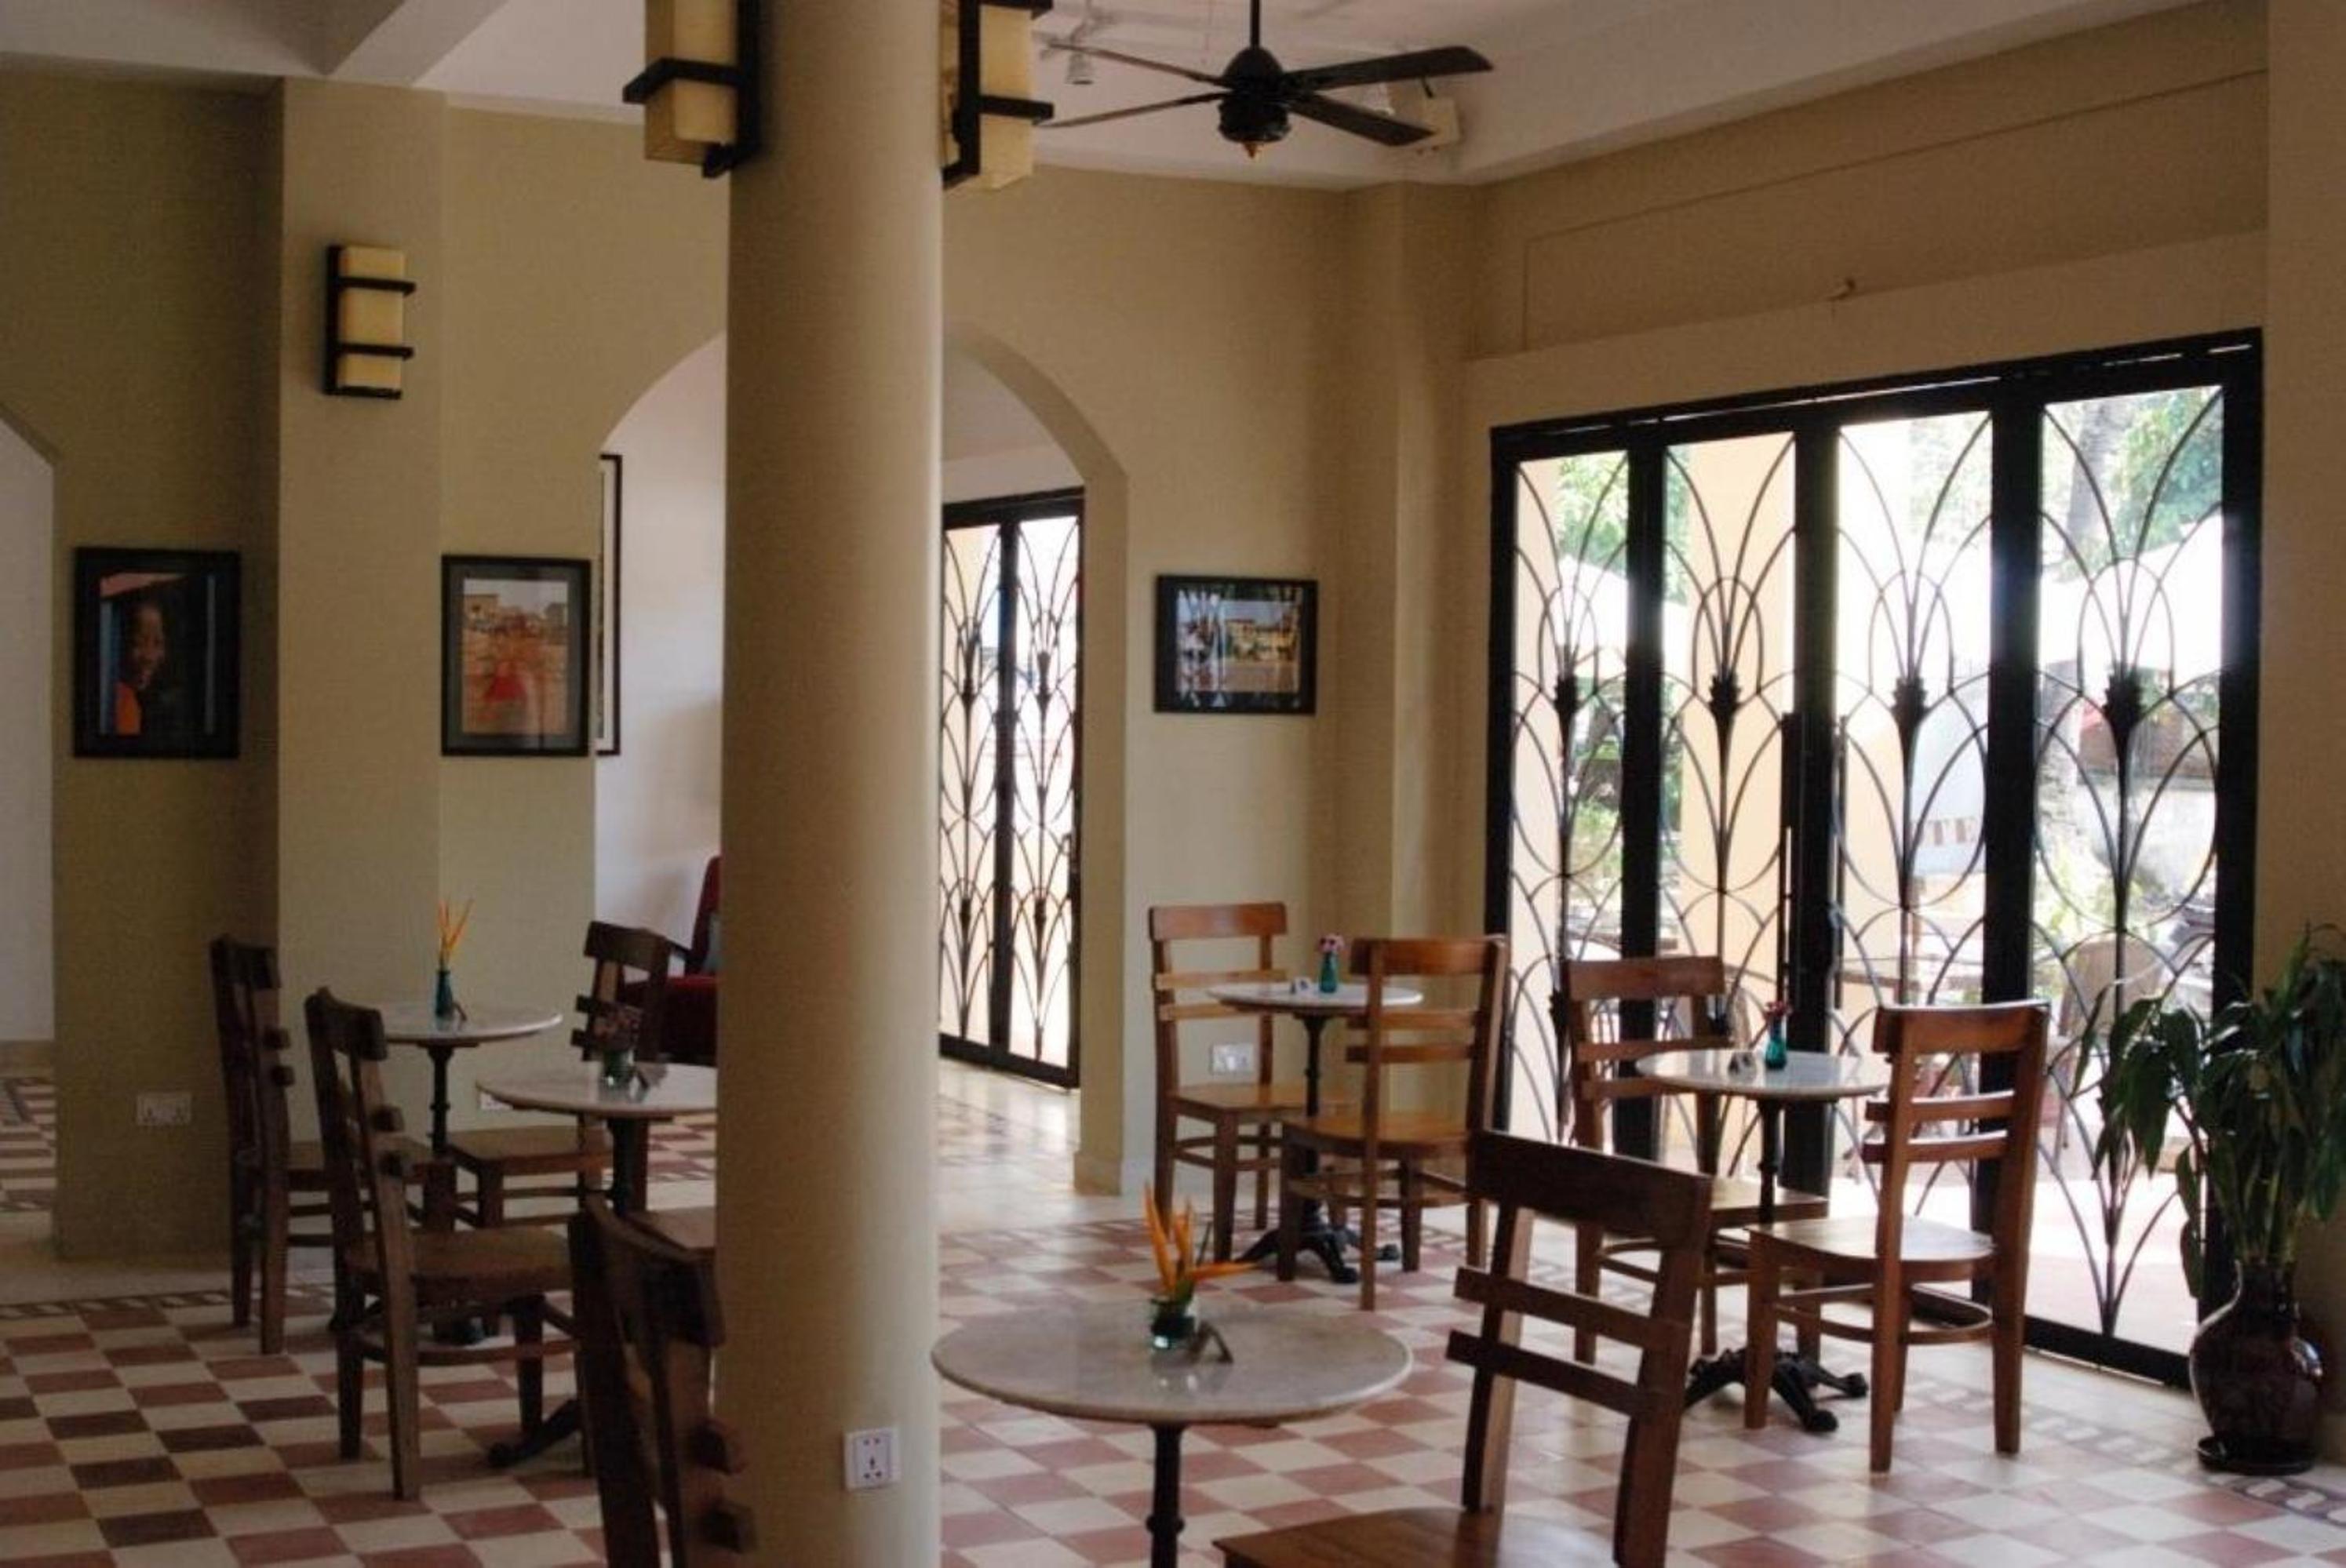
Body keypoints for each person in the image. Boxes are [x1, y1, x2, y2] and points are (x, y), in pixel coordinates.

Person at [111, 598, 172, 737]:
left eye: (158, 643)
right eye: (137, 643)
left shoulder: (169, 706)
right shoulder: (122, 701)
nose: (149, 657)